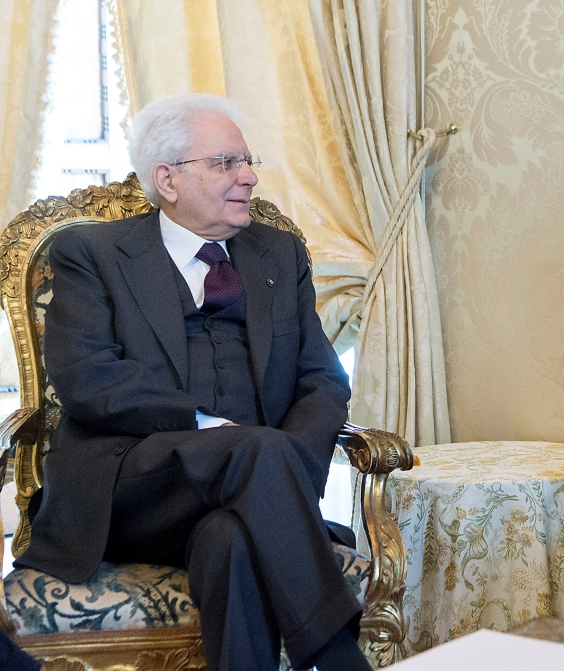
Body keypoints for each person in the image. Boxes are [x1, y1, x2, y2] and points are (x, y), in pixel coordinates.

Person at [14, 94, 370, 671]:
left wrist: (286, 470)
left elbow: (321, 379)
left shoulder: (279, 252)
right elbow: (88, 379)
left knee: (229, 541)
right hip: (133, 487)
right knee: (252, 449)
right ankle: (336, 659)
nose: (250, 177)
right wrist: (211, 427)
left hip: (247, 489)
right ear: (169, 179)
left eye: (248, 160)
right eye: (226, 163)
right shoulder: (92, 254)